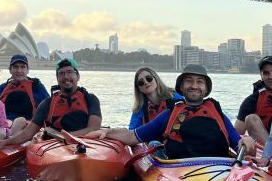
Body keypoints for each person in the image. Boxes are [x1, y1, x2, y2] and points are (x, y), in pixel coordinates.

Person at [90, 64, 255, 159]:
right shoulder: (169, 115)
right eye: (189, 81)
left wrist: (246, 142)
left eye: (199, 82)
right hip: (179, 170)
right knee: (154, 145)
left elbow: (236, 142)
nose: (194, 86)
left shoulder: (217, 113)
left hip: (218, 167)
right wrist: (107, 133)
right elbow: (132, 136)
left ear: (205, 89)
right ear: (182, 87)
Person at [0, 58, 102, 146]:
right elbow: (28, 133)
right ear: (57, 78)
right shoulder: (47, 104)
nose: (66, 77)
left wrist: (65, 135)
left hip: (85, 142)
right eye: (61, 74)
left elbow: (94, 128)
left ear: (77, 76)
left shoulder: (91, 99)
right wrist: (5, 142)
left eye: (70, 72)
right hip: (55, 146)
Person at [234, 55, 272, 143]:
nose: (271, 76)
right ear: (261, 76)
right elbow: (236, 135)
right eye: (266, 73)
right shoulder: (251, 101)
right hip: (267, 146)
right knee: (251, 119)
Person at [0, 53, 50, 135]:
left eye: (22, 67)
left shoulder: (37, 87)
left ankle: (10, 139)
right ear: (10, 70)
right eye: (16, 67)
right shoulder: (1, 88)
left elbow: (49, 107)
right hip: (5, 126)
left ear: (27, 70)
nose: (19, 71)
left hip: (29, 126)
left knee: (20, 121)